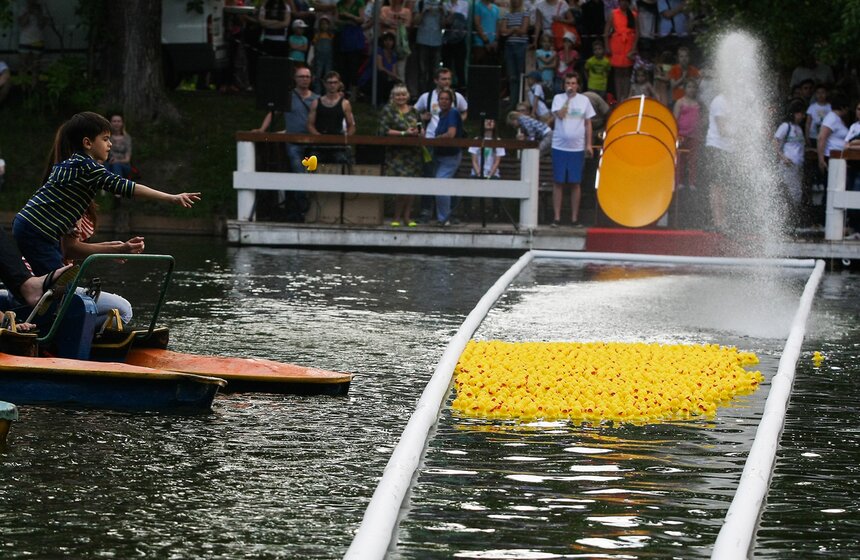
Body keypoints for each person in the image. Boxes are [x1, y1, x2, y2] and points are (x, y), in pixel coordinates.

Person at [12, 112, 200, 277]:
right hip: (37, 230)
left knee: (56, 283)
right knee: (57, 285)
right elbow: (127, 187)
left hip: (28, 225)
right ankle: (40, 312)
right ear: (87, 143)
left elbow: (53, 197)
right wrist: (171, 197)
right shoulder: (88, 167)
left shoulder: (70, 165)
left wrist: (112, 247)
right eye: (105, 139)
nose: (110, 144)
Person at [60, 202, 139, 324]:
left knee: (119, 310)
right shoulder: (70, 204)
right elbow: (69, 250)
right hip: (55, 284)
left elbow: (72, 249)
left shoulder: (75, 201)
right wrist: (115, 249)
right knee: (124, 310)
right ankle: (71, 330)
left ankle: (76, 328)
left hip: (61, 282)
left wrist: (111, 248)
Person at [254, 66, 319, 178]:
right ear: (295, 78)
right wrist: (262, 129)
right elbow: (272, 114)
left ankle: (307, 194)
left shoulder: (317, 99)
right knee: (297, 169)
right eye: (302, 76)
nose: (305, 79)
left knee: (312, 172)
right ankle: (301, 195)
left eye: (307, 76)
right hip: (293, 142)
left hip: (312, 142)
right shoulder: (287, 97)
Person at [550, 72, 595, 227]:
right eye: (568, 83)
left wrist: (588, 144)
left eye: (573, 83)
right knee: (558, 182)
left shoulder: (584, 100)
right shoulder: (558, 99)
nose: (570, 86)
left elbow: (588, 123)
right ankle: (557, 217)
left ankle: (574, 218)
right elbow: (560, 115)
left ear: (578, 85)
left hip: (576, 148)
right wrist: (568, 100)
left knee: (576, 183)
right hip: (559, 146)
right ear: (564, 85)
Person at [378, 84, 423, 227]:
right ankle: (396, 217)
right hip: (396, 154)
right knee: (400, 186)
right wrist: (404, 133)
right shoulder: (388, 110)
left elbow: (421, 127)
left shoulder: (415, 111)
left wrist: (418, 132)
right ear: (393, 96)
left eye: (403, 94)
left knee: (412, 187)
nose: (401, 97)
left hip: (413, 154)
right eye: (398, 95)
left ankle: (407, 217)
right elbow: (383, 130)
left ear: (407, 96)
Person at [432, 88, 465, 226]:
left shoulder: (452, 113)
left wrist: (437, 138)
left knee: (441, 183)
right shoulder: (441, 114)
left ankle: (444, 218)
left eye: (446, 99)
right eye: (441, 99)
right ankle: (443, 216)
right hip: (440, 154)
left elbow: (451, 134)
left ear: (451, 101)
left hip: (451, 155)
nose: (443, 101)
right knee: (438, 184)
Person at [308, 71, 356, 164]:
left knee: (342, 160)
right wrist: (319, 137)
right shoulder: (316, 103)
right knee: (311, 162)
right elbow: (310, 124)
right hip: (320, 144)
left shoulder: (345, 104)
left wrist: (346, 139)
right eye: (330, 82)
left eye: (335, 82)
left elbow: (351, 125)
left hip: (338, 144)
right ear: (325, 84)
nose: (332, 85)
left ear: (339, 84)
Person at [773, 100, 807, 227]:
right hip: (787, 165)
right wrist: (782, 157)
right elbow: (775, 141)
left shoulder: (798, 128)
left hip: (797, 166)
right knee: (787, 192)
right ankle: (784, 220)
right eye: (800, 113)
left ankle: (793, 220)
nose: (802, 116)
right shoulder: (785, 126)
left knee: (796, 193)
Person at [604, 0, 637, 102]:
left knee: (627, 73)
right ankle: (619, 98)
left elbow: (637, 33)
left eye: (626, 1)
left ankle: (626, 98)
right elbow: (606, 32)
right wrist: (607, 47)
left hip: (629, 45)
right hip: (617, 44)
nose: (624, 3)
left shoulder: (633, 14)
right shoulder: (613, 13)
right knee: (618, 73)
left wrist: (634, 48)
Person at [672, 80, 701, 191]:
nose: (692, 89)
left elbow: (701, 119)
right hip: (681, 135)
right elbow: (675, 118)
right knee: (680, 159)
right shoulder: (680, 102)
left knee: (693, 159)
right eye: (689, 86)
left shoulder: (698, 104)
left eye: (694, 87)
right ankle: (679, 181)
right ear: (685, 88)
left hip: (694, 135)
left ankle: (692, 182)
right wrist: (676, 134)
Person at [499, 0, 529, 107]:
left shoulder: (525, 12)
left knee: (521, 74)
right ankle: (513, 102)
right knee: (512, 76)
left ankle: (521, 102)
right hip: (509, 46)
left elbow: (524, 30)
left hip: (521, 46)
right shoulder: (507, 13)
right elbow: (503, 30)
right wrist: (515, 29)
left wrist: (510, 30)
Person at [359, 32, 399, 106]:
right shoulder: (378, 51)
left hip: (386, 81)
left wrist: (396, 78)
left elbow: (394, 72)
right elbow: (380, 67)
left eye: (390, 40)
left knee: (395, 83)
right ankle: (378, 101)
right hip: (371, 80)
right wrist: (392, 75)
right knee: (381, 75)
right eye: (386, 40)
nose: (388, 42)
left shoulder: (393, 55)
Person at [413, 0, 445, 92]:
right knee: (423, 71)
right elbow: (415, 22)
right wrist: (423, 12)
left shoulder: (440, 3)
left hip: (437, 41)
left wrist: (442, 13)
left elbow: (443, 25)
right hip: (423, 41)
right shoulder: (420, 3)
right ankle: (422, 94)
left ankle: (434, 94)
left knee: (435, 71)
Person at [817, 94, 850, 175]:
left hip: (839, 157)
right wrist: (821, 159)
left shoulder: (837, 118)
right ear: (842, 108)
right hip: (831, 156)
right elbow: (821, 138)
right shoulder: (831, 118)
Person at [472, 0, 500, 65]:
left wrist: (496, 40)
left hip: (493, 44)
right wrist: (486, 41)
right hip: (480, 43)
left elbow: (497, 24)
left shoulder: (496, 8)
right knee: (479, 67)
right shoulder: (477, 6)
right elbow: (477, 24)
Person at [312, 16, 335, 94]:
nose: (324, 26)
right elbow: (314, 45)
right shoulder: (317, 35)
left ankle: (327, 92)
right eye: (322, 24)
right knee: (318, 74)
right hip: (319, 58)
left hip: (329, 58)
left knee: (328, 74)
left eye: (326, 24)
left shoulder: (331, 35)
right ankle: (317, 92)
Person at [105, 112, 132, 178]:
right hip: (109, 163)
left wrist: (117, 161)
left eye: (118, 121)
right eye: (114, 121)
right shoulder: (106, 137)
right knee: (105, 166)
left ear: (122, 123)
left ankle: (118, 186)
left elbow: (127, 159)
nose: (116, 123)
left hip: (123, 165)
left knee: (116, 165)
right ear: (110, 123)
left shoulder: (127, 138)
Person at [806, 84, 831, 149]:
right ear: (815, 95)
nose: (820, 95)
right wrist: (807, 136)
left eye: (823, 92)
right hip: (813, 136)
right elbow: (808, 123)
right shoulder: (812, 107)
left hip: (827, 136)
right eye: (818, 93)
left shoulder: (830, 107)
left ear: (827, 94)